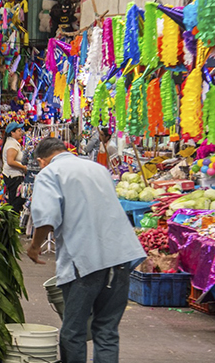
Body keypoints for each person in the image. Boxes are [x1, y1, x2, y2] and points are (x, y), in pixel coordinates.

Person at [27, 137, 146, 363]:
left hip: (85, 260)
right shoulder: (98, 169)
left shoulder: (49, 174)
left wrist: (34, 247)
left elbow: (46, 218)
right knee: (107, 330)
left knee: (73, 332)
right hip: (120, 256)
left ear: (42, 161)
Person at [2, 122, 27, 212]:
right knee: (16, 201)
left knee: (15, 199)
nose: (21, 133)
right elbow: (10, 161)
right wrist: (23, 168)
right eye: (19, 131)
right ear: (12, 133)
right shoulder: (11, 144)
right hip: (13, 176)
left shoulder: (13, 143)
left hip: (13, 175)